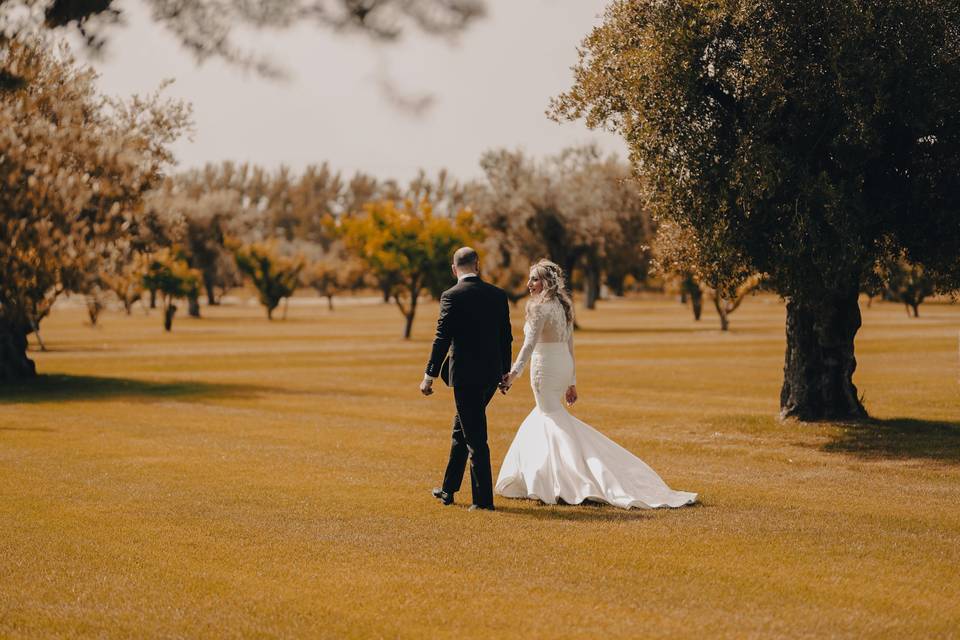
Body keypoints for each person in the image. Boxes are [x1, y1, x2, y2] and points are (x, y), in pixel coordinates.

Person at [496, 259, 697, 509]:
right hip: (562, 366)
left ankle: (566, 480)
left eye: (534, 279)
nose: (529, 285)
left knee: (549, 417)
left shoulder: (539, 308)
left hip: (545, 368)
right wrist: (571, 381)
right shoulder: (564, 306)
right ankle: (544, 478)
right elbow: (570, 345)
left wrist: (513, 374)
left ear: (546, 282)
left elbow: (528, 346)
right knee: (550, 416)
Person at [420, 247, 513, 511]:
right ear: (477, 265)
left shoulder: (451, 296)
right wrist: (504, 372)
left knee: (475, 438)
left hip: (465, 377)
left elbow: (442, 339)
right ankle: (448, 489)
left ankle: (483, 502)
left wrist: (429, 376)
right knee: (461, 430)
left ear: (454, 269)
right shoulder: (497, 295)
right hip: (491, 375)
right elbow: (506, 337)